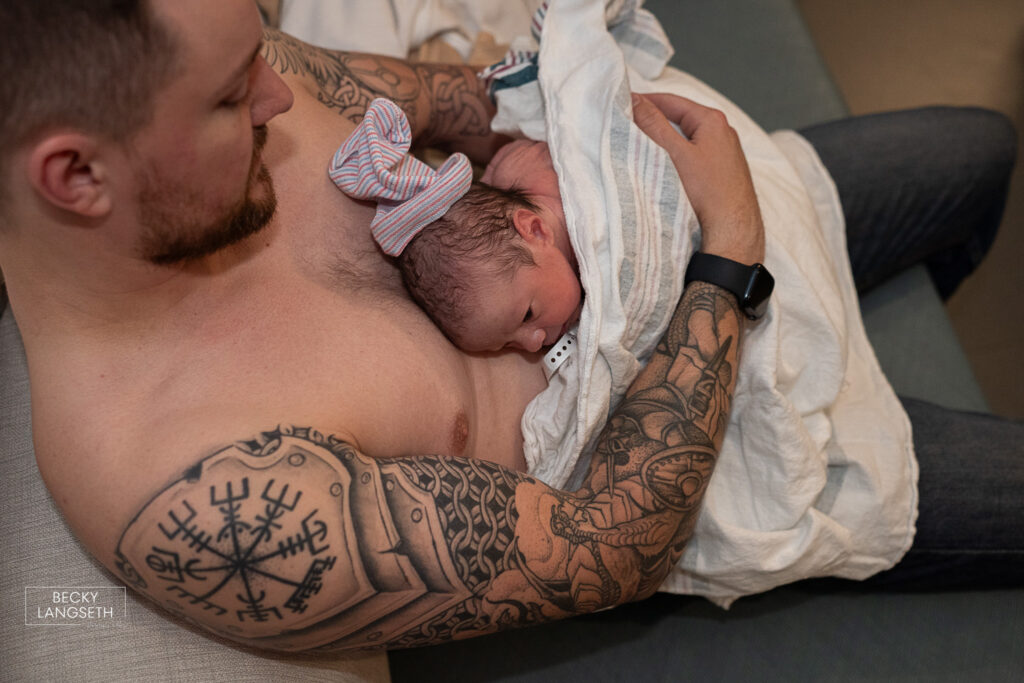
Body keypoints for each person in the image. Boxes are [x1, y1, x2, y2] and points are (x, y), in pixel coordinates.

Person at [0, 0, 1019, 655]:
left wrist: (588, 156)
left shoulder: (246, 72)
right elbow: (609, 545)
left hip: (664, 231)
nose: (276, 88)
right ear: (76, 175)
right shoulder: (202, 493)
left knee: (979, 149)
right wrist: (728, 244)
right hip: (707, 429)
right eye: (230, 99)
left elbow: (459, 102)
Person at [330, 96, 581, 353]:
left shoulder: (538, 174)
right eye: (508, 344)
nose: (533, 343)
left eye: (527, 315)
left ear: (535, 230)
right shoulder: (510, 212)